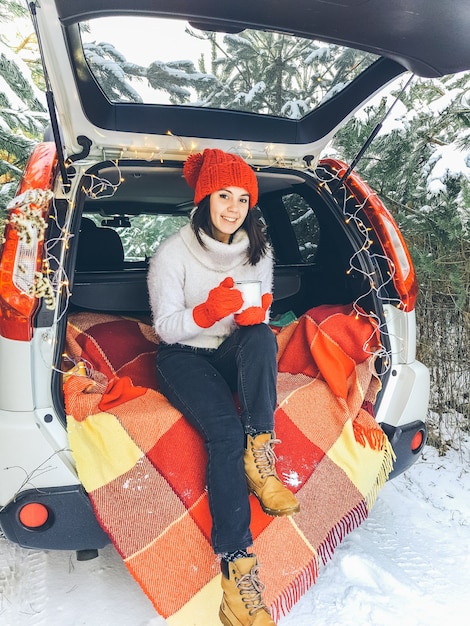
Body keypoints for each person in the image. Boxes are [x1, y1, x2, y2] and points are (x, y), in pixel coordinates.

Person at [147, 148, 300, 626]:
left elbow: (258, 316)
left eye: (242, 199)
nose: (233, 208)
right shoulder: (173, 254)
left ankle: (261, 457)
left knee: (258, 335)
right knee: (223, 435)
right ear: (204, 198)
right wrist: (206, 313)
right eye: (223, 196)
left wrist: (258, 315)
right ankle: (238, 578)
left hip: (230, 350)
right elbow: (167, 327)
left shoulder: (260, 251)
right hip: (183, 356)